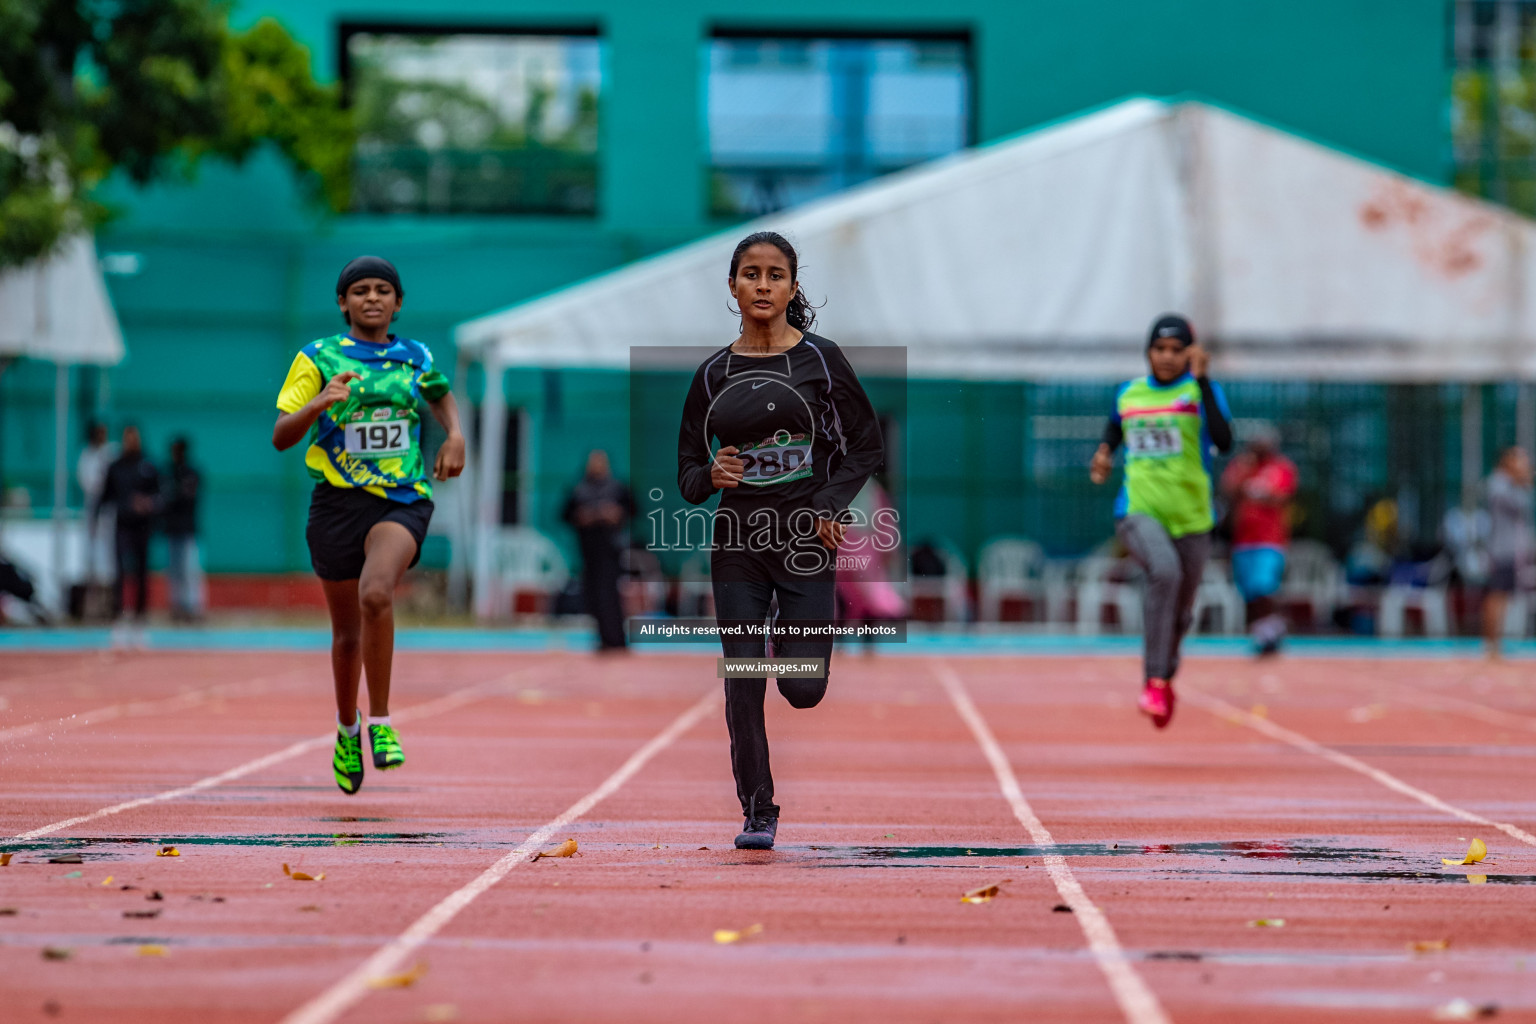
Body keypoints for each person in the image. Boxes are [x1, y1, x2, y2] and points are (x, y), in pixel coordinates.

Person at [677, 231, 883, 850]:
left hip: (803, 545)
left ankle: (801, 644)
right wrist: (710, 475)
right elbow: (687, 473)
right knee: (744, 675)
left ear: (793, 287)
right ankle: (757, 808)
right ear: (733, 286)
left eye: (774, 275)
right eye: (750, 275)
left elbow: (866, 446)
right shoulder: (713, 374)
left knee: (801, 688)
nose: (762, 285)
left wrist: (827, 504)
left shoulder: (821, 361)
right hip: (738, 544)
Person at [272, 256, 466, 795]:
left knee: (376, 594)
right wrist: (320, 402)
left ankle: (379, 722)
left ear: (398, 302)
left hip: (401, 500)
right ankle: (346, 727)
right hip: (335, 504)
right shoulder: (316, 357)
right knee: (345, 635)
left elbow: (440, 394)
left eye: (383, 290)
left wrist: (455, 434)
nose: (372, 298)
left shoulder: (415, 356)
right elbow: (282, 435)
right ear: (343, 302)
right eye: (360, 291)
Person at [1089, 314, 1233, 728]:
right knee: (1164, 573)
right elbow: (1114, 432)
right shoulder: (1129, 394)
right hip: (1139, 509)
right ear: (1148, 352)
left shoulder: (1201, 392)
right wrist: (1103, 455)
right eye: (1159, 349)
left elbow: (1224, 441)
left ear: (1190, 353)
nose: (1167, 358)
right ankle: (1153, 681)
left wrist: (1203, 381)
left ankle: (1165, 671)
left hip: (1191, 519)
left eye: (1176, 350)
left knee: (1182, 613)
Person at [1220, 423, 1298, 656]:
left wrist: (1260, 495)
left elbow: (1283, 498)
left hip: (1269, 540)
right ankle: (1264, 631)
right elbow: (1229, 491)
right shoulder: (1242, 467)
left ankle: (1273, 628)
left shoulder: (1282, 468)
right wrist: (1244, 472)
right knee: (1249, 590)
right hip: (1243, 539)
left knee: (1265, 586)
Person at [562, 450, 636, 652]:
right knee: (593, 596)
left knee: (609, 594)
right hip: (588, 550)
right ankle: (603, 639)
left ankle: (617, 640)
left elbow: (634, 510)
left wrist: (615, 514)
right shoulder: (579, 490)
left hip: (611, 549)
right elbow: (565, 515)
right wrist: (583, 517)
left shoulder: (617, 488)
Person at [100, 425, 160, 621]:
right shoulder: (116, 466)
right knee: (120, 568)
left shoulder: (148, 465)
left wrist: (149, 503)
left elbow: (160, 494)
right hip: (123, 523)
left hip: (142, 525)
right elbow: (106, 495)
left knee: (142, 568)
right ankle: (118, 609)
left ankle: (141, 611)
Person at [1483, 446, 1533, 659]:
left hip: (1511, 551)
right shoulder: (1499, 483)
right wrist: (1524, 481)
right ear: (1507, 461)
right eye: (1520, 460)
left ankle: (1496, 645)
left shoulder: (1508, 484)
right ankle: (1492, 645)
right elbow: (1520, 504)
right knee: (1497, 596)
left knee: (1502, 596)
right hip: (1502, 550)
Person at [163, 436, 205, 622]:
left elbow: (185, 497)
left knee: (190, 570)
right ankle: (177, 607)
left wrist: (173, 496)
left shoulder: (191, 472)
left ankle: (194, 608)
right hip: (173, 529)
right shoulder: (168, 473)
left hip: (188, 529)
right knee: (175, 571)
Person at [76, 421, 117, 587]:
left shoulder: (111, 452)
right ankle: (91, 578)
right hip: (93, 503)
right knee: (91, 542)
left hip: (108, 504)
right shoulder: (86, 454)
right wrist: (97, 487)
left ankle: (109, 580)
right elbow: (85, 479)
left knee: (109, 544)